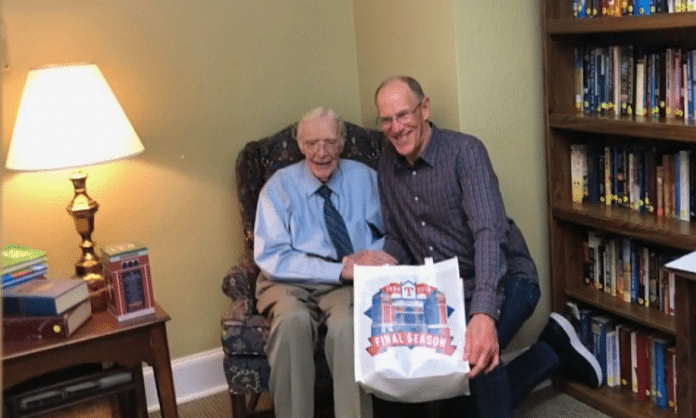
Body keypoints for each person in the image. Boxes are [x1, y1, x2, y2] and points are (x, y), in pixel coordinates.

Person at [373, 76, 602, 417]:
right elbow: (398, 237)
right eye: (386, 120)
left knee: (477, 356)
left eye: (403, 115)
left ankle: (545, 350)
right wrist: (377, 265)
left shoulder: (465, 152)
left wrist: (483, 314)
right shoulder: (386, 165)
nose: (396, 128)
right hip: (445, 292)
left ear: (425, 109)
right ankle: (551, 350)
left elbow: (488, 233)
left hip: (507, 279)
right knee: (447, 405)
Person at [253, 106, 397, 418]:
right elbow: (273, 256)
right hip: (287, 282)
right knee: (293, 323)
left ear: (342, 143)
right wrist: (339, 268)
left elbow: (392, 232)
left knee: (349, 328)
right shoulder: (278, 187)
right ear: (299, 145)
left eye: (330, 142)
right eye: (312, 143)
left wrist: (370, 256)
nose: (321, 152)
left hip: (347, 282)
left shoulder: (365, 178)